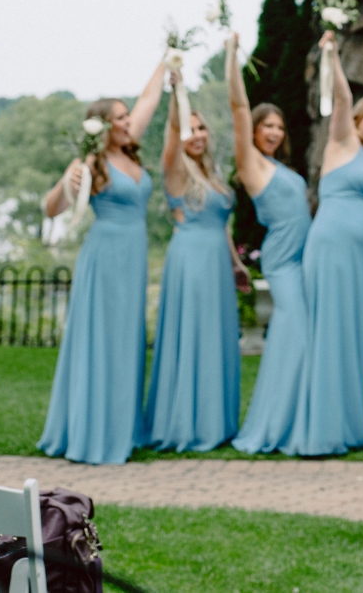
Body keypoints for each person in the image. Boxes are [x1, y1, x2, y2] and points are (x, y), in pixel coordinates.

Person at [39, 58, 169, 464]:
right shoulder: (90, 160)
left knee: (126, 340)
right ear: (104, 124)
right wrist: (67, 181)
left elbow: (149, 98)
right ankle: (91, 432)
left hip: (133, 257)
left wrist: (168, 58)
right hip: (103, 257)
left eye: (128, 115)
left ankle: (121, 429)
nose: (128, 120)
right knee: (99, 340)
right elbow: (50, 208)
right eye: (120, 117)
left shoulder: (131, 146)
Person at [295, 32, 363, 454]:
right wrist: (333, 56)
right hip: (334, 249)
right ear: (356, 121)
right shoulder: (342, 143)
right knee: (337, 331)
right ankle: (330, 427)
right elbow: (339, 99)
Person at [143, 71, 244, 451]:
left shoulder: (212, 173)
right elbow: (172, 133)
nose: (196, 135)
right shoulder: (175, 170)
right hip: (191, 260)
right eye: (190, 128)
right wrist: (177, 94)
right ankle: (185, 422)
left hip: (218, 261)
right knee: (193, 334)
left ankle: (216, 421)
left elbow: (224, 225)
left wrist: (235, 263)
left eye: (201, 128)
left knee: (216, 336)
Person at [227, 32, 312, 455]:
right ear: (255, 131)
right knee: (292, 334)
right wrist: (231, 56)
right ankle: (272, 427)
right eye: (267, 126)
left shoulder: (285, 168)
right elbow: (239, 108)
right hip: (282, 264)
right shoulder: (252, 166)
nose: (274, 132)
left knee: (303, 336)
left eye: (279, 126)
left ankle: (298, 418)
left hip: (307, 261)